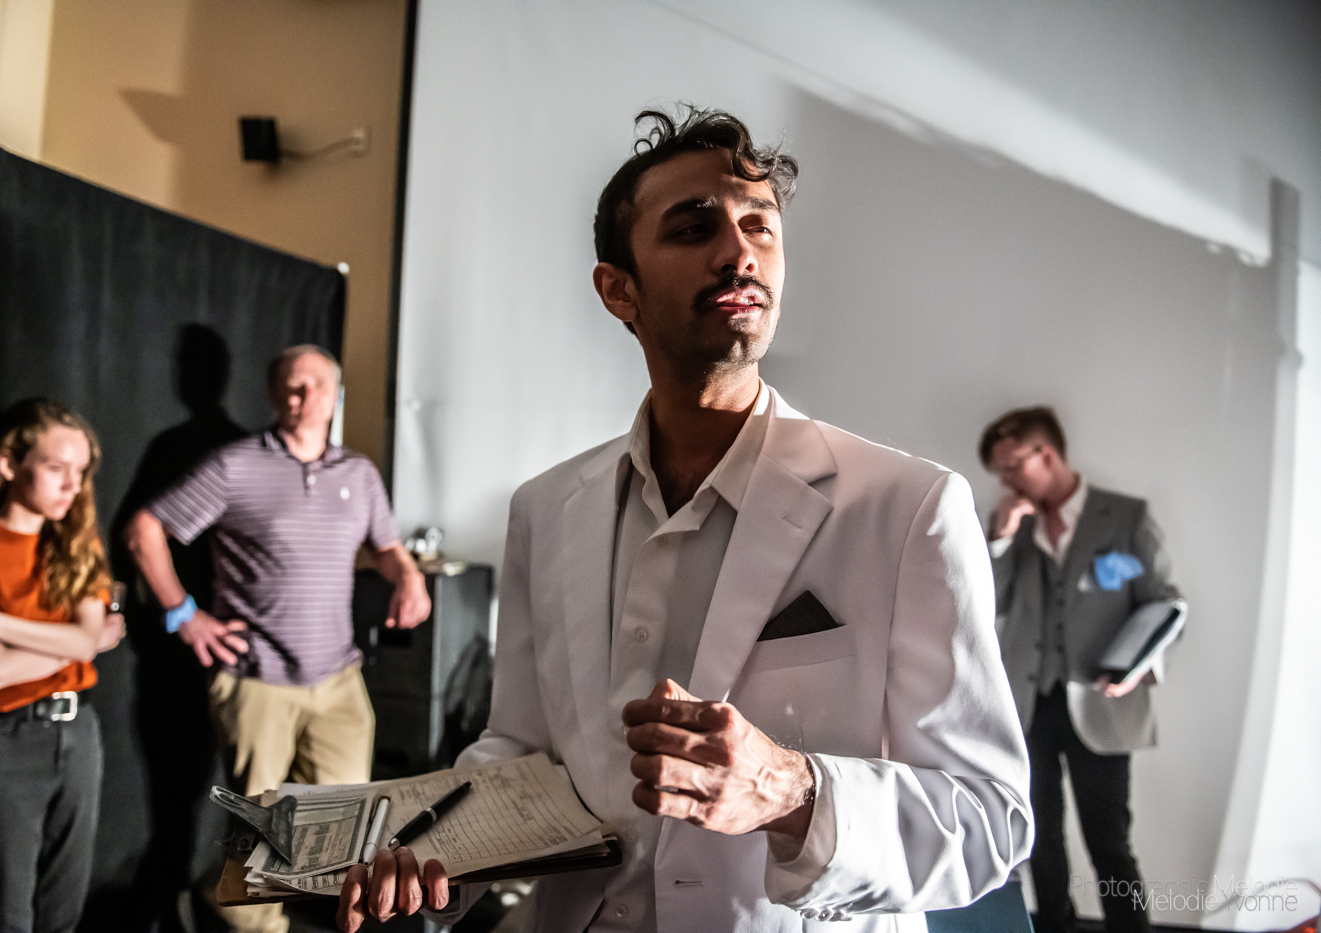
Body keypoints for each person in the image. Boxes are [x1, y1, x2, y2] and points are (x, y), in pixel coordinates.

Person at [339, 106, 1033, 933]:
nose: (740, 251)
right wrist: (432, 852)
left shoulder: (908, 507)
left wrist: (790, 790)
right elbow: (521, 753)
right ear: (618, 289)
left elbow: (991, 819)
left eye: (759, 225)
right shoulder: (545, 508)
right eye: (693, 227)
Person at [125, 344, 431, 933]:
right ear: (272, 395)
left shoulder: (359, 473)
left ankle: (223, 897)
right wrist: (183, 615)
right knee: (263, 832)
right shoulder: (235, 465)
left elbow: (387, 547)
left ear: (335, 395)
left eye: (318, 385)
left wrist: (409, 576)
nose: (305, 396)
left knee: (346, 825)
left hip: (337, 678)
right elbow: (145, 529)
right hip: (257, 677)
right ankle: (246, 920)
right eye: (293, 385)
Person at [979, 406, 1181, 933]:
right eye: (1000, 471)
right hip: (1028, 703)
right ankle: (1055, 927)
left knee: (1109, 839)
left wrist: (1137, 666)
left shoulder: (1126, 516)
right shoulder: (1014, 524)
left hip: (1102, 700)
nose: (1005, 481)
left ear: (1046, 455)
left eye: (1011, 466)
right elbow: (986, 603)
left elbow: (1163, 603)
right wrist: (1000, 537)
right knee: (1038, 836)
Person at [0, 398, 126, 933]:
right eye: (57, 468)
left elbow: (86, 638)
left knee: (62, 912)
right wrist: (81, 643)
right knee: (4, 915)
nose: (72, 485)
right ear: (7, 464)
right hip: (3, 741)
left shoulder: (77, 545)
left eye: (81, 471)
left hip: (79, 733)